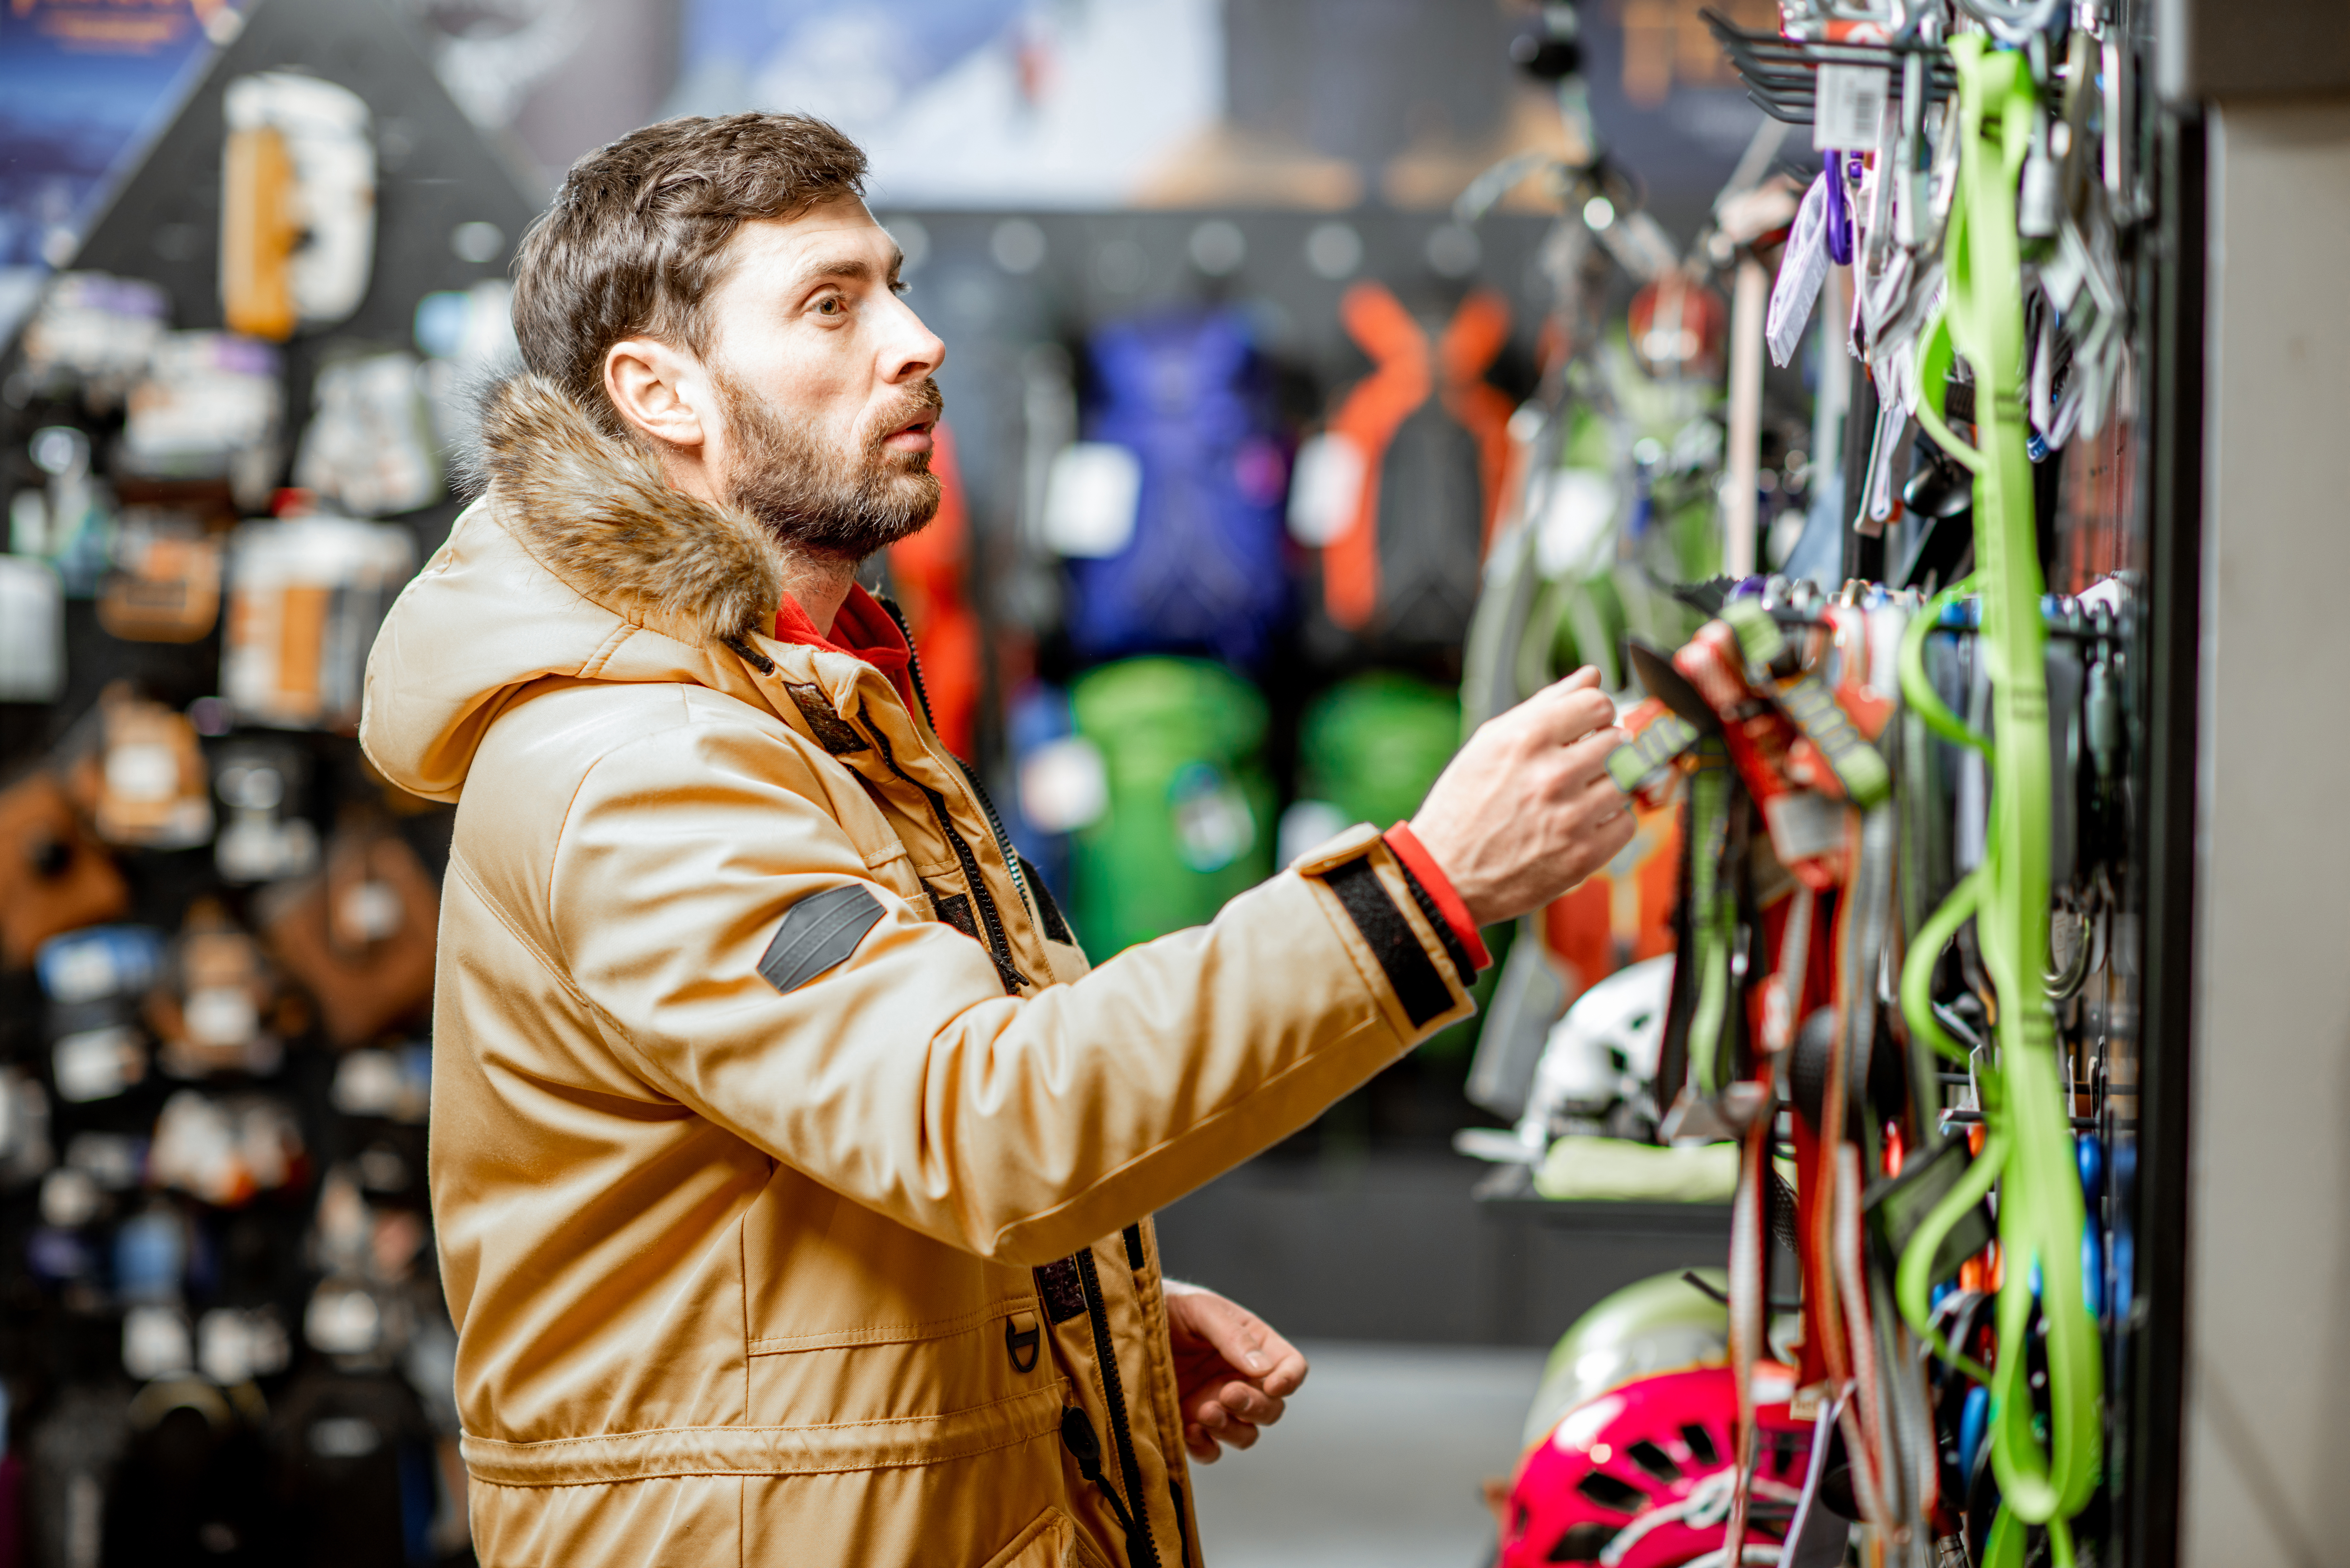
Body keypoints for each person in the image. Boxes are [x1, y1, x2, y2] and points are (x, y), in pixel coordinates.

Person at [360, 112, 1635, 1568]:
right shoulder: (635, 759)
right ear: (661, 393)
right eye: (832, 305)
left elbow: (812, 1159)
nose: (918, 340)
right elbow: (981, 1120)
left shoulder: (804, 693)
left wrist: (1067, 1320)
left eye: (893, 285)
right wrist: (1424, 893)